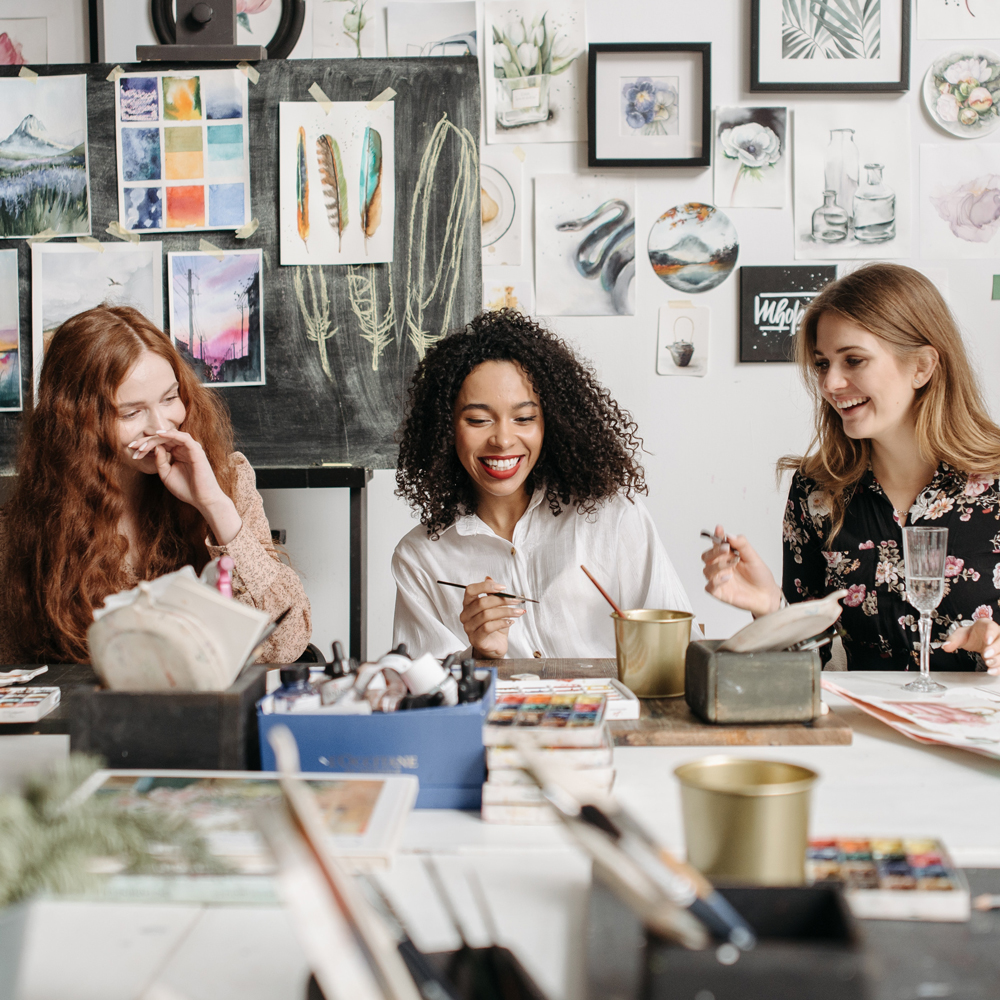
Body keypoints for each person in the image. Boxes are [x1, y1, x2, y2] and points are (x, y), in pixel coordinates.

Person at [702, 263, 1000, 673]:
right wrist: (770, 608)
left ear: (922, 367)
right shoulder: (816, 492)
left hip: (977, 734)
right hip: (862, 732)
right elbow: (808, 668)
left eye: (854, 360)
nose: (830, 384)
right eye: (823, 364)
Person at [0, 306, 310, 665]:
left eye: (170, 397)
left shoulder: (227, 479)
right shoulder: (21, 527)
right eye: (131, 413)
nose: (162, 426)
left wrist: (213, 505)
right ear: (77, 423)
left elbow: (286, 644)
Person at [392, 309, 693, 660]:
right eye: (478, 419)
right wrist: (478, 656)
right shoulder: (420, 557)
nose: (503, 440)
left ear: (552, 422)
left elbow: (680, 650)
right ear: (445, 430)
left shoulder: (614, 518)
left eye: (524, 418)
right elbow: (421, 691)